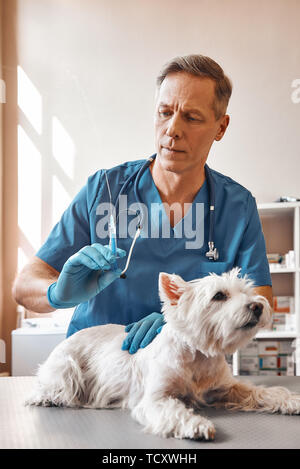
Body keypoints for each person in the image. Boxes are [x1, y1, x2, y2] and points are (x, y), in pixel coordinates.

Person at [12, 54, 273, 354]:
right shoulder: (105, 189)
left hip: (184, 372)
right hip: (95, 371)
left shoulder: (236, 207)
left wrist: (175, 323)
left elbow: (260, 300)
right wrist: (56, 293)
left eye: (191, 117)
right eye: (164, 112)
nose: (172, 129)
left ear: (220, 127)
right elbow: (24, 286)